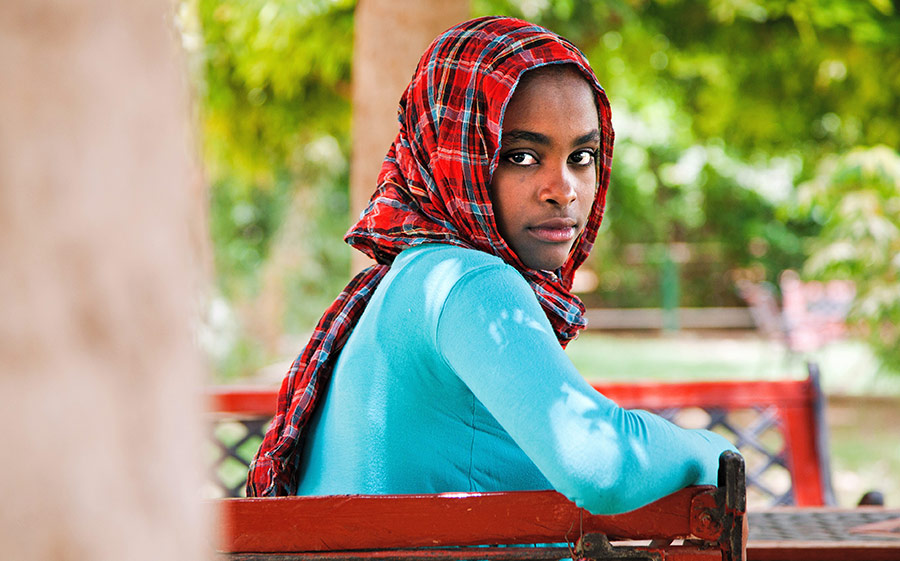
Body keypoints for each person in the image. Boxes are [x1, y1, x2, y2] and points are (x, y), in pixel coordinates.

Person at [247, 16, 737, 515]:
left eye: (582, 156)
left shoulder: (412, 279)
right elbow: (601, 464)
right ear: (451, 154)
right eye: (522, 156)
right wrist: (713, 451)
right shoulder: (468, 282)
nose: (563, 189)